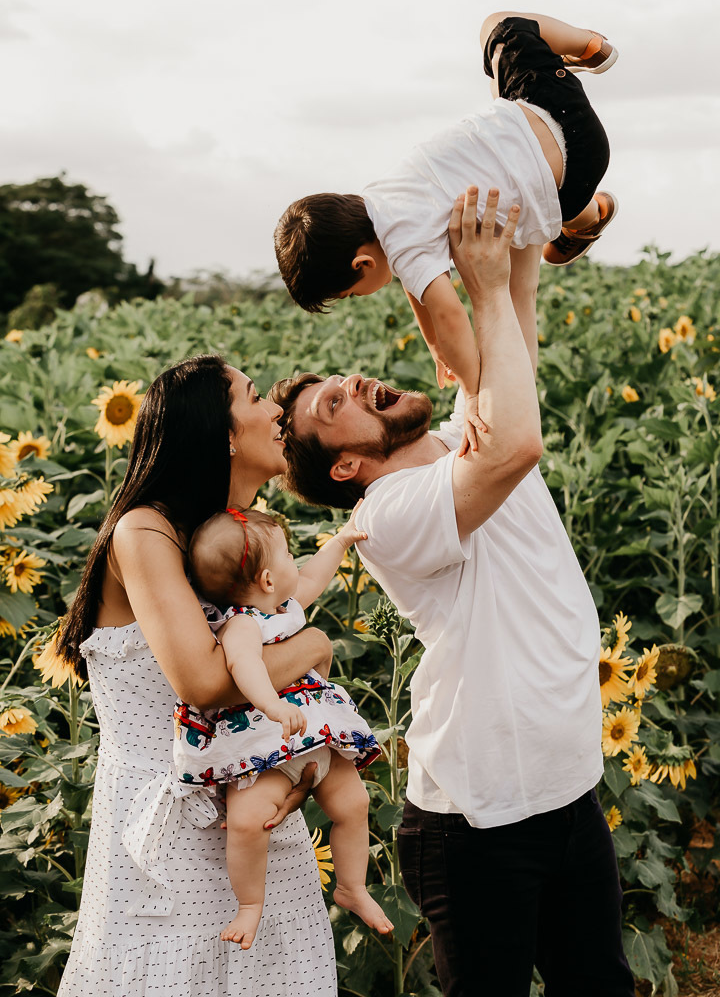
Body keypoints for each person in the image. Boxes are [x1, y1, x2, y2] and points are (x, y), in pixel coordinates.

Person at [268, 190, 636, 996]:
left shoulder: (469, 428)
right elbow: (519, 445)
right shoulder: (387, 514)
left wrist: (538, 225)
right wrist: (478, 287)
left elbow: (516, 338)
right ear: (344, 467)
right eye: (336, 404)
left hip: (567, 791)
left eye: (342, 379)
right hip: (478, 822)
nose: (356, 381)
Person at [55, 355, 338, 997]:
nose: (275, 410)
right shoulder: (145, 530)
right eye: (254, 395)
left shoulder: (242, 540)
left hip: (254, 808)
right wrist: (318, 642)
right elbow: (206, 684)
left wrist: (308, 762)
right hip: (166, 835)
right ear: (225, 432)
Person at [274, 11, 618, 455]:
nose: (365, 295)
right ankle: (592, 46)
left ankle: (585, 217)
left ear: (362, 264)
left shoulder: (403, 243)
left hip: (571, 170)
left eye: (353, 293)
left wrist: (476, 396)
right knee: (499, 26)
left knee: (522, 283)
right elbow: (418, 292)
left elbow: (451, 314)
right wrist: (435, 346)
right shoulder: (380, 200)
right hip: (548, 110)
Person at [163, 504, 392, 948]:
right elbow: (244, 668)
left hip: (315, 733)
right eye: (288, 555)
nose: (296, 564)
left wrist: (342, 540)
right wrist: (270, 704)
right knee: (249, 823)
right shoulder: (241, 626)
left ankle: (352, 887)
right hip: (263, 745)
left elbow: (311, 578)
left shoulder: (283, 606)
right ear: (267, 579)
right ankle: (250, 904)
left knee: (354, 803)